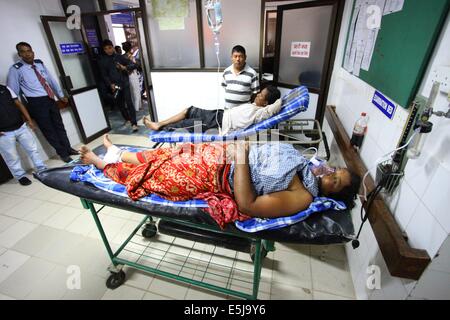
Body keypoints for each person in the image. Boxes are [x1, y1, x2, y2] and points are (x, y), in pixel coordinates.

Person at [79, 135, 361, 228]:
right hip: (225, 154)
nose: (327, 173)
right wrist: (238, 147)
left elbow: (248, 205)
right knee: (169, 151)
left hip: (218, 174)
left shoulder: (302, 196)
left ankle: (101, 162)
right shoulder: (304, 164)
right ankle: (118, 152)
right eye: (333, 169)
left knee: (159, 174)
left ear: (332, 195)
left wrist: (240, 154)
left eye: (334, 181)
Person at [7, 42, 78, 163]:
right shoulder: (16, 69)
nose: (27, 54)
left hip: (50, 98)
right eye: (23, 52)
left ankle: (68, 148)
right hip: (36, 102)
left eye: (29, 50)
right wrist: (21, 111)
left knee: (59, 126)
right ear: (19, 54)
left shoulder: (39, 64)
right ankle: (62, 153)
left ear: (33, 52)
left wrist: (60, 95)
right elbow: (13, 92)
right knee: (49, 129)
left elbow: (51, 80)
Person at [143, 86, 281, 134]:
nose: (257, 95)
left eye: (261, 95)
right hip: (218, 114)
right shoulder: (254, 106)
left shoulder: (260, 113)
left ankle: (161, 128)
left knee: (185, 125)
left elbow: (275, 107)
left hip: (216, 124)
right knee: (189, 110)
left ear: (266, 103)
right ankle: (159, 123)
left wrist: (284, 98)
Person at [0, 84, 47, 185]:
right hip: (4, 134)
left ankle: (42, 169)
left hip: (21, 126)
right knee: (12, 157)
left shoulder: (5, 88)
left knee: (33, 150)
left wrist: (29, 120)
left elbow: (19, 104)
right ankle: (20, 176)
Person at [99, 39, 139, 132]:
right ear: (104, 50)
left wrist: (124, 67)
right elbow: (104, 75)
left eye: (110, 48)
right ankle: (127, 119)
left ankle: (134, 123)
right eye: (106, 49)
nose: (108, 50)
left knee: (129, 103)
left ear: (113, 47)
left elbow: (134, 65)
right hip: (115, 87)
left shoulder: (120, 57)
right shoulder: (102, 61)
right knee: (120, 104)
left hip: (125, 84)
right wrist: (110, 84)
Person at [122, 41, 142, 112]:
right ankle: (136, 107)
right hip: (132, 74)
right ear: (130, 48)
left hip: (128, 75)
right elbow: (137, 65)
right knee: (136, 90)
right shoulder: (131, 57)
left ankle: (133, 106)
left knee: (131, 91)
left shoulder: (122, 57)